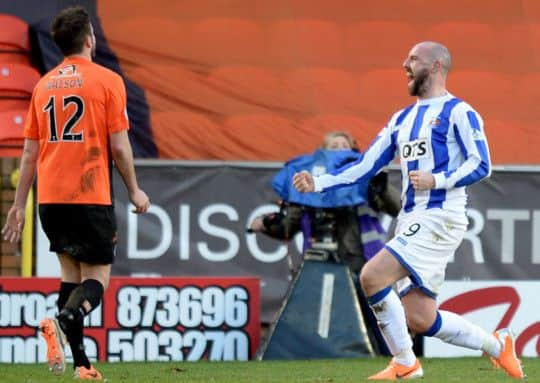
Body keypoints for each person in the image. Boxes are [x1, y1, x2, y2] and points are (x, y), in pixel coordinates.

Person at [293, 41, 524, 380]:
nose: (404, 64)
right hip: (410, 218)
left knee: (372, 276)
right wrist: (320, 183)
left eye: (413, 59)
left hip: (441, 217)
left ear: (436, 66)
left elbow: (482, 164)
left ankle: (405, 361)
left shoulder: (459, 112)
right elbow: (366, 165)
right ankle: (497, 345)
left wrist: (438, 179)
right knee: (420, 317)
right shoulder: (401, 119)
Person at [1, 6, 150, 380]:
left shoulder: (42, 84)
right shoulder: (107, 81)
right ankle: (63, 319)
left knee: (71, 278)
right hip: (90, 194)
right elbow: (119, 146)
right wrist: (134, 190)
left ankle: (82, 365)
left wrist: (19, 206)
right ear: (89, 39)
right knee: (97, 280)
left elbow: (30, 151)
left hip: (51, 199)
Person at [250, 131, 400, 355]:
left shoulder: (366, 175)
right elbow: (288, 225)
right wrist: (266, 224)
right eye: (334, 146)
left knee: (376, 309)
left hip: (360, 258)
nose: (339, 150)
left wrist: (381, 182)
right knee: (304, 308)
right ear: (322, 152)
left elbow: (395, 207)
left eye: (344, 146)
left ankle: (395, 355)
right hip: (316, 259)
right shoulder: (306, 178)